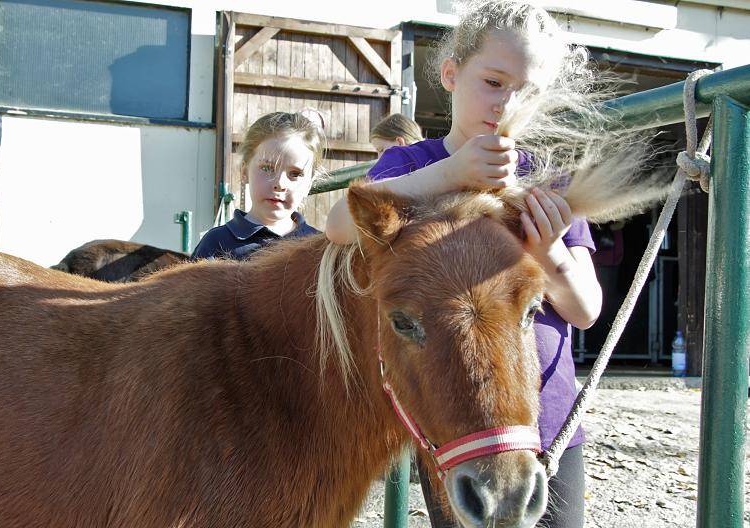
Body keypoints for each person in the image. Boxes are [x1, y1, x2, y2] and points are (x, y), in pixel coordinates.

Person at [325, 2, 609, 527]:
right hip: (454, 419)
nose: (507, 104)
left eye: (528, 92)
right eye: (495, 81)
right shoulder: (412, 166)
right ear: (451, 73)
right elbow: (339, 223)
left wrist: (548, 253)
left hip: (549, 419)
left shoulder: (549, 180)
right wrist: (449, 173)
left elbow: (585, 308)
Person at [192, 110, 324, 259]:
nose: (280, 184)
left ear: (309, 184)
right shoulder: (215, 244)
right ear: (244, 172)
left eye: (295, 173)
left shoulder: (319, 248)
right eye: (267, 168)